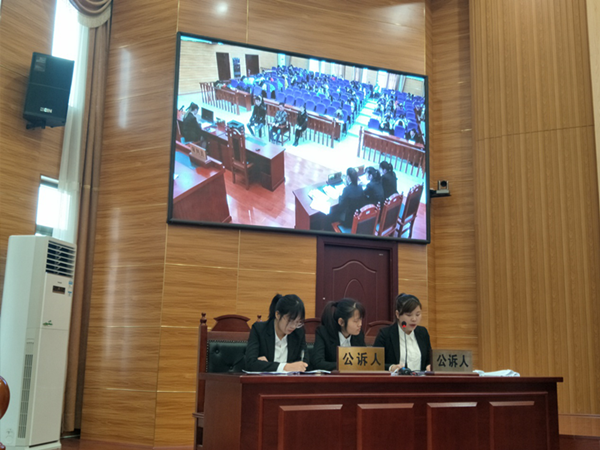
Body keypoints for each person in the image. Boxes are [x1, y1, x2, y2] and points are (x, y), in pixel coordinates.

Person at [244, 294, 309, 372]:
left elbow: (305, 363)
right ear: (277, 314)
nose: (293, 326)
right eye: (290, 321)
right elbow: (251, 363)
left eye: (298, 322)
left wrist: (266, 365)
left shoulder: (298, 333)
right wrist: (285, 367)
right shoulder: (259, 330)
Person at [374, 293, 432, 372]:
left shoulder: (422, 333)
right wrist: (391, 368)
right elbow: (375, 363)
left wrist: (429, 366)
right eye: (409, 315)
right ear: (397, 314)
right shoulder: (385, 334)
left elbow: (428, 360)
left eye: (417, 314)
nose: (414, 319)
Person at [312, 299, 366, 371]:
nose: (360, 324)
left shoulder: (359, 334)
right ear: (341, 322)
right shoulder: (324, 333)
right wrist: (346, 365)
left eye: (361, 319)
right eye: (356, 321)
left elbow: (365, 361)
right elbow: (318, 363)